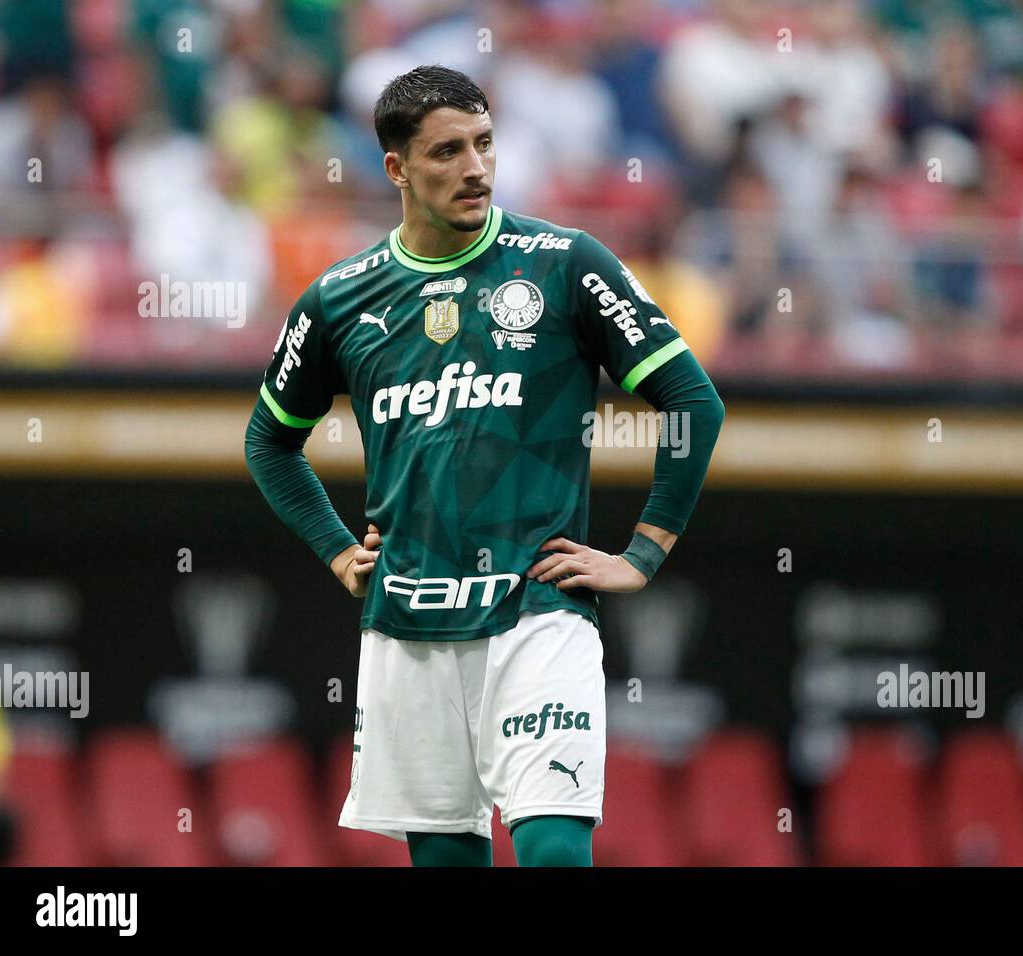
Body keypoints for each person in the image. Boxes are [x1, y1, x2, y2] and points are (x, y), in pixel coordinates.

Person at [244, 65, 725, 867]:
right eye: (446, 152)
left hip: (537, 612)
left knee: (552, 851)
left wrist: (645, 551)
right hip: (407, 625)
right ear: (396, 168)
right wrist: (336, 549)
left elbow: (691, 401)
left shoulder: (565, 263)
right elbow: (269, 440)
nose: (475, 168)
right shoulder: (339, 299)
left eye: (484, 143)